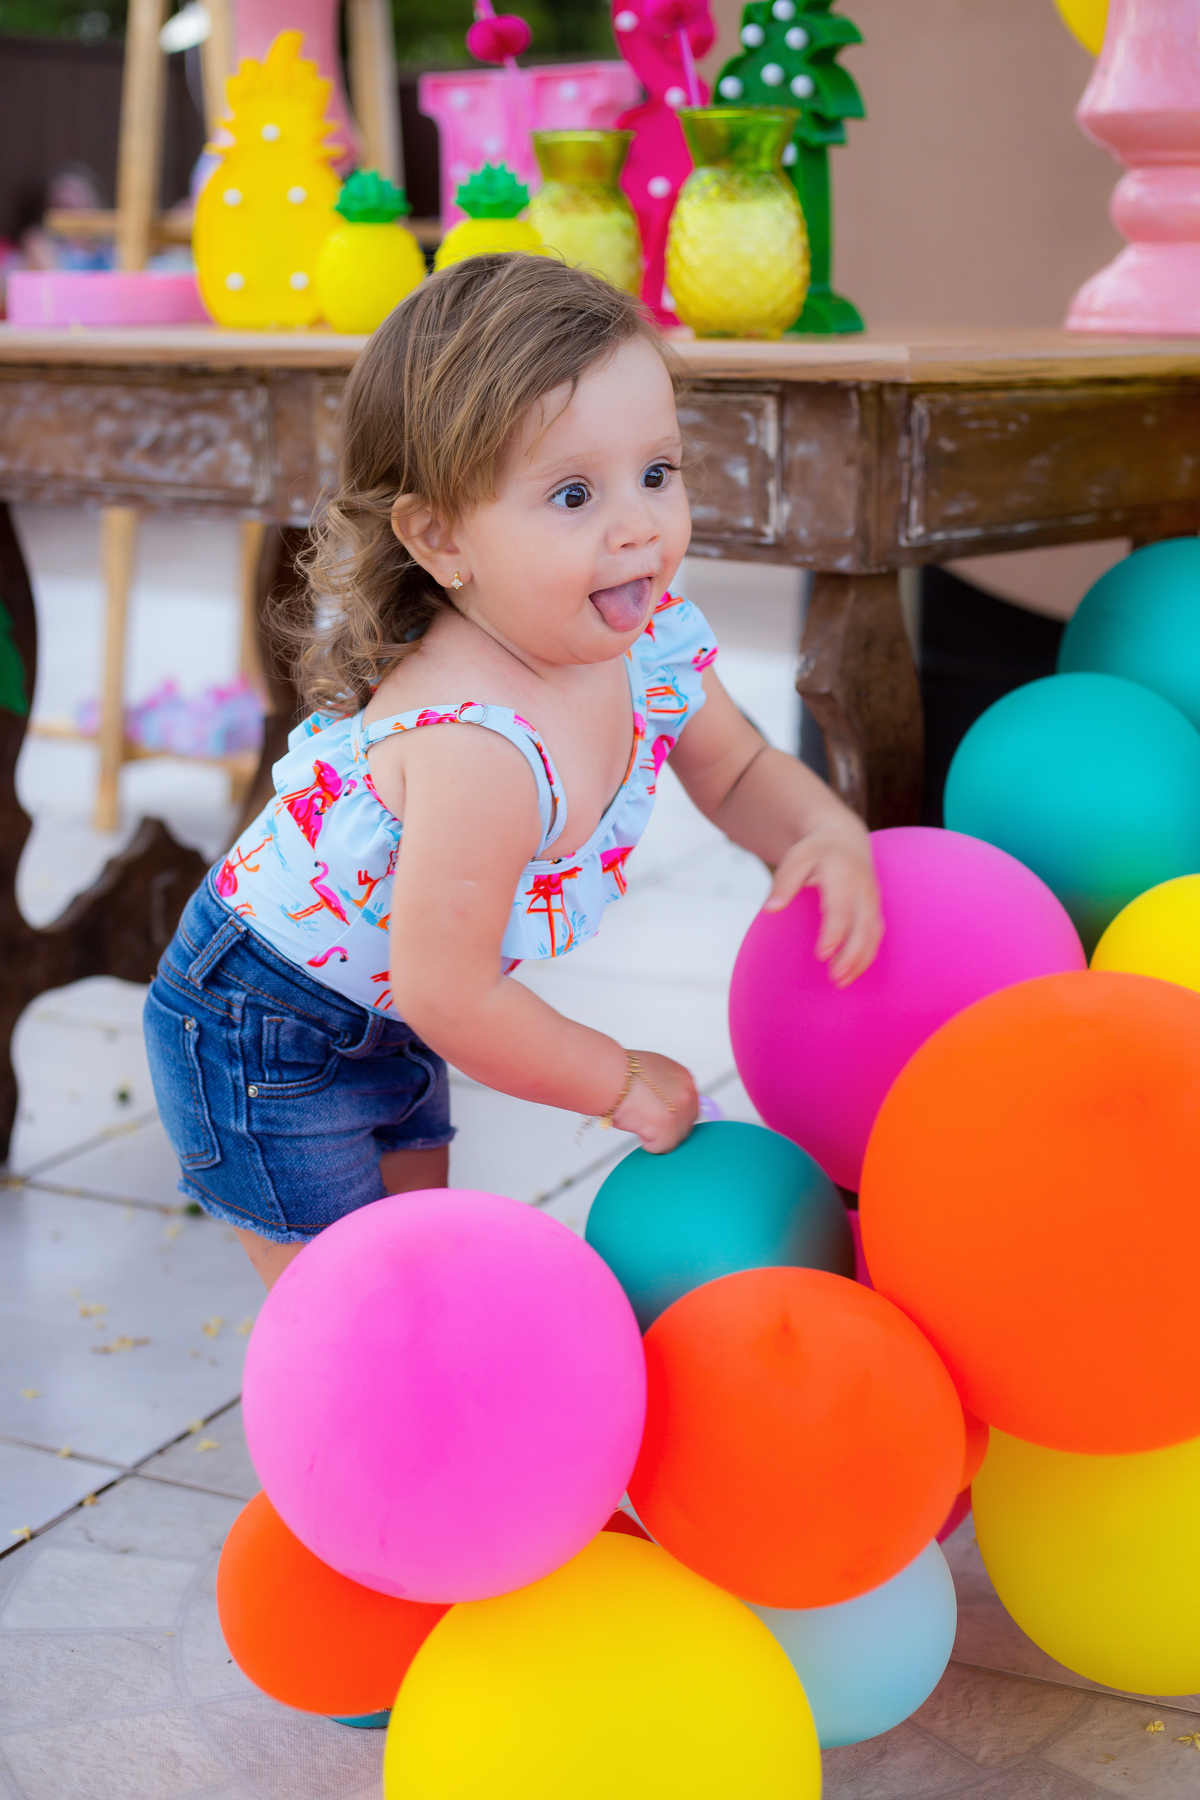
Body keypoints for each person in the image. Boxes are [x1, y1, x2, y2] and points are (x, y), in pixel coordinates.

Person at [143, 254, 882, 1290]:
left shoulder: (650, 646)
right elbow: (452, 989)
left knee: (423, 1266)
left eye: (658, 474)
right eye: (574, 493)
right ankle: (326, 1445)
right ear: (443, 537)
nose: (639, 526)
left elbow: (739, 767)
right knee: (352, 1316)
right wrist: (613, 1078)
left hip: (390, 1013)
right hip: (258, 1024)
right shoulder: (474, 745)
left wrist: (819, 834)